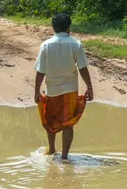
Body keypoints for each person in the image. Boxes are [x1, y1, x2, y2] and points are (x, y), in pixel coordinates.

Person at [34, 13, 94, 160]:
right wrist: (90, 87)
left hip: (52, 89)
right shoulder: (76, 44)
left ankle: (52, 150)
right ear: (68, 27)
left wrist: (36, 91)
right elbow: (83, 68)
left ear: (53, 28)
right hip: (70, 89)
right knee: (68, 123)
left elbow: (40, 71)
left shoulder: (45, 45)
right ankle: (65, 157)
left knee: (51, 120)